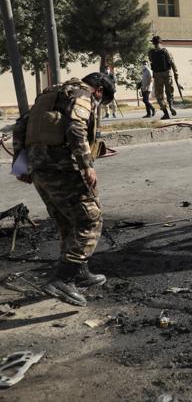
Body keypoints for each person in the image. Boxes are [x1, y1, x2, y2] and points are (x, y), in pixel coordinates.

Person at [11, 72, 116, 306]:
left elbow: (20, 126)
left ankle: (80, 272)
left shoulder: (51, 94)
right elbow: (76, 128)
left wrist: (21, 165)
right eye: (101, 101)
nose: (97, 106)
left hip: (39, 169)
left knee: (67, 221)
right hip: (62, 168)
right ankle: (63, 279)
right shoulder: (83, 95)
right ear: (98, 91)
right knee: (91, 219)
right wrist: (87, 165)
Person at [148, 36, 180, 119]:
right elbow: (172, 63)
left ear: (153, 43)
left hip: (157, 75)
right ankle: (171, 106)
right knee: (169, 92)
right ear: (160, 42)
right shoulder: (165, 51)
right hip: (167, 74)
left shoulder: (151, 52)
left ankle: (166, 113)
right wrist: (176, 77)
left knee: (159, 96)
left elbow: (151, 62)